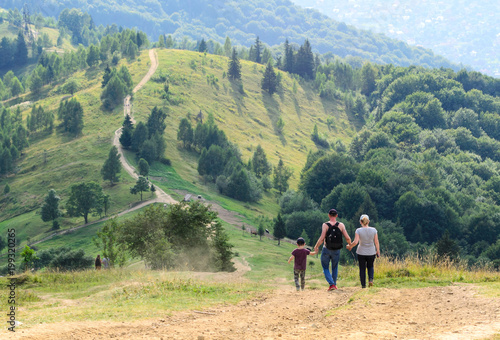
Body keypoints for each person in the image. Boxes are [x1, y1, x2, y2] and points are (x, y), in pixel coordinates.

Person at [314, 209, 352, 291]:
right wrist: (350, 245)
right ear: (336, 215)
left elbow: (322, 238)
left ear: (329, 215)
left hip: (326, 249)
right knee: (335, 267)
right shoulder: (341, 225)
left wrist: (316, 246)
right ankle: (334, 284)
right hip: (336, 250)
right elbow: (347, 238)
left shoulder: (325, 225)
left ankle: (332, 285)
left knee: (325, 268)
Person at [347, 214, 380, 288]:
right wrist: (378, 251)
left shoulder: (358, 230)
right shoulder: (374, 230)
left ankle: (363, 285)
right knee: (370, 266)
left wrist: (350, 246)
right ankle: (370, 280)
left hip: (361, 252)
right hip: (371, 252)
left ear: (360, 222)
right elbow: (376, 242)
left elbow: (355, 242)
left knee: (362, 268)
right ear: (368, 221)